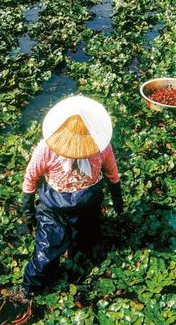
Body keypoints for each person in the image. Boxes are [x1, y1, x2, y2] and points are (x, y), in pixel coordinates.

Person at [19, 95, 123, 295]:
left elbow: (112, 174)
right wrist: (28, 212)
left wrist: (117, 201)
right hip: (54, 208)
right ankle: (28, 292)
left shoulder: (101, 147)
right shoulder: (46, 150)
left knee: (84, 245)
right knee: (45, 254)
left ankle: (76, 269)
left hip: (87, 207)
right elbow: (30, 179)